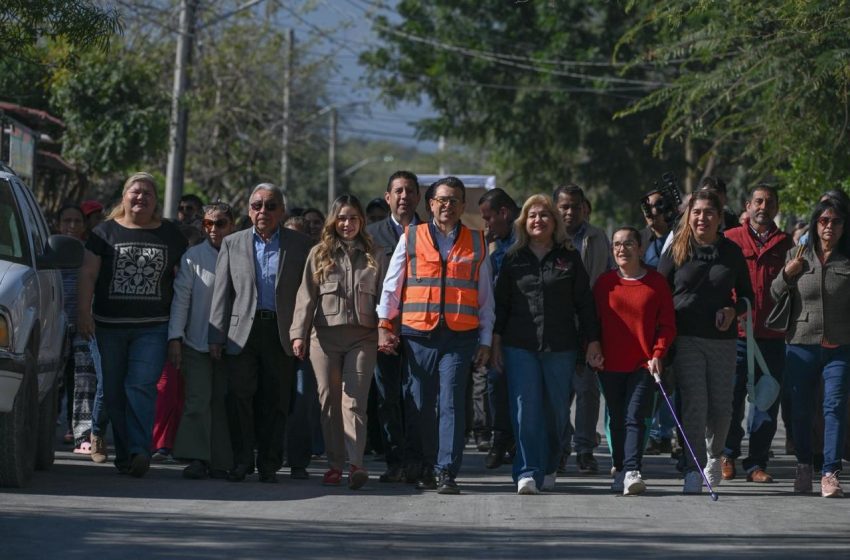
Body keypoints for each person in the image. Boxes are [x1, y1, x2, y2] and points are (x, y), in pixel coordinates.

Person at [377, 176, 493, 495]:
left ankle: (445, 470)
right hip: (417, 334)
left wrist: (485, 340)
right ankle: (420, 464)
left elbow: (485, 297)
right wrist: (385, 325)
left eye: (454, 200)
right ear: (430, 204)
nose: (447, 206)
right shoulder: (411, 237)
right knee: (418, 402)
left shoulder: (477, 241)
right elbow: (392, 285)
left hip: (459, 336)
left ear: (462, 206)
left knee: (452, 402)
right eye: (441, 200)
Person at [77, 172, 189, 477]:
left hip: (152, 327)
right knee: (113, 392)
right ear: (124, 196)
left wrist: (178, 332)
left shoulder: (170, 234)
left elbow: (184, 282)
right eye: (135, 192)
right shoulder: (103, 232)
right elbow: (88, 274)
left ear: (156, 202)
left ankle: (141, 451)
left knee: (139, 387)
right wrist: (83, 313)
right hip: (107, 326)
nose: (140, 198)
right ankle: (125, 453)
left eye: (147, 194)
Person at [492, 194, 602, 494]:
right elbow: (501, 305)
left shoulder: (569, 258)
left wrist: (593, 341)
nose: (537, 220)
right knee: (524, 410)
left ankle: (551, 463)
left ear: (554, 222)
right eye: (532, 216)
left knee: (556, 413)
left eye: (544, 215)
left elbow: (585, 304)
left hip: (561, 347)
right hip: (519, 345)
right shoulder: (513, 259)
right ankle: (526, 471)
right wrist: (496, 342)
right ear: (523, 223)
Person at [209, 183, 311, 483]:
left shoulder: (300, 244)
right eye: (256, 205)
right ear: (248, 210)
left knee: (276, 400)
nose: (262, 211)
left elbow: (308, 293)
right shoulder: (233, 242)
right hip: (242, 332)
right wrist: (216, 336)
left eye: (270, 206)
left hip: (281, 330)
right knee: (239, 396)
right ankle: (242, 460)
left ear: (281, 210)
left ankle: (269, 463)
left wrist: (303, 333)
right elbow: (222, 292)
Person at [657, 190, 754, 494]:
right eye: (696, 212)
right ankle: (694, 468)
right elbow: (659, 293)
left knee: (723, 409)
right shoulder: (676, 250)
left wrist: (732, 310)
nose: (702, 218)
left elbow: (748, 296)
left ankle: (716, 454)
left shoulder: (731, 252)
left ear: (720, 215)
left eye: (709, 212)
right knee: (695, 406)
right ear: (689, 215)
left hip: (722, 341)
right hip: (686, 339)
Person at [290, 195, 386, 489]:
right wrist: (298, 334)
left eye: (353, 218)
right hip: (324, 337)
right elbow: (305, 296)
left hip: (363, 337)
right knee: (329, 401)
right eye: (342, 218)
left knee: (354, 400)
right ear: (334, 221)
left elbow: (385, 297)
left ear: (362, 221)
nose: (347, 224)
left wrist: (385, 330)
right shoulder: (319, 253)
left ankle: (356, 463)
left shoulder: (376, 254)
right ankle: (334, 464)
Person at [772, 197, 850, 498]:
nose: (829, 226)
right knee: (801, 411)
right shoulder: (798, 254)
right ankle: (804, 464)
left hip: (840, 346)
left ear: (844, 227)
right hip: (801, 343)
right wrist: (788, 273)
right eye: (824, 221)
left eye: (836, 221)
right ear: (816, 224)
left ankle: (830, 472)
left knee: (834, 408)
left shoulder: (846, 259)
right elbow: (775, 292)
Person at [593, 227, 676, 495]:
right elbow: (592, 323)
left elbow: (667, 324)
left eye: (629, 244)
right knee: (616, 418)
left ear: (640, 249)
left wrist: (658, 353)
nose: (621, 249)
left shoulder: (656, 282)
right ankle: (619, 467)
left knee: (635, 416)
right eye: (617, 244)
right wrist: (591, 347)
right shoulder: (605, 284)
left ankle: (632, 470)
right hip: (610, 363)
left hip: (644, 363)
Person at [721, 185, 793, 483]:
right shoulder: (729, 240)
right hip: (736, 334)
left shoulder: (787, 244)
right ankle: (727, 455)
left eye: (770, 202)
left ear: (776, 208)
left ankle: (756, 464)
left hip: (772, 336)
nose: (764, 207)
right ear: (748, 205)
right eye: (758, 201)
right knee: (730, 399)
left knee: (766, 402)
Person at [168, 202, 236, 479]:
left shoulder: (241, 253)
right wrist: (175, 337)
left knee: (222, 401)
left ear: (231, 224)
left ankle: (222, 461)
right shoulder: (192, 257)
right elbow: (181, 299)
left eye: (220, 223)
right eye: (207, 224)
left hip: (233, 344)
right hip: (195, 341)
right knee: (198, 400)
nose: (213, 229)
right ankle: (196, 457)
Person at [367, 170, 422, 483]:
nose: (404, 197)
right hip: (383, 329)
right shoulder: (371, 235)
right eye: (398, 191)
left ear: (418, 197)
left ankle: (417, 460)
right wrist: (377, 327)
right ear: (388, 197)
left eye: (410, 191)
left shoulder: (430, 233)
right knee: (387, 397)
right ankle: (394, 460)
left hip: (421, 329)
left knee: (417, 397)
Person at [553, 184, 609, 474]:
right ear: (555, 207)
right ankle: (561, 447)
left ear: (584, 207)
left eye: (575, 206)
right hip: (556, 328)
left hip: (589, 326)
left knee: (587, 391)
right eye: (564, 206)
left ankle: (585, 449)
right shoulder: (547, 238)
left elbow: (610, 278)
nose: (570, 211)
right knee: (559, 393)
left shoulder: (598, 237)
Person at [478, 188, 519, 469]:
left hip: (526, 327)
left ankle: (519, 442)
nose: (487, 224)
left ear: (504, 213)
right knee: (496, 384)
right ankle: (500, 439)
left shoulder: (526, 241)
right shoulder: (493, 247)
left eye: (488, 217)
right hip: (499, 327)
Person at [57, 204, 94, 453]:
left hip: (81, 326)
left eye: (77, 221)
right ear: (58, 224)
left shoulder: (89, 253)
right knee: (52, 382)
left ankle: (81, 435)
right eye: (67, 221)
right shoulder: (48, 250)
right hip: (52, 326)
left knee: (81, 382)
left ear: (84, 226)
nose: (72, 226)